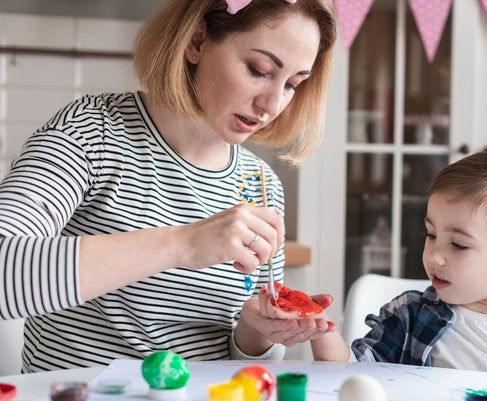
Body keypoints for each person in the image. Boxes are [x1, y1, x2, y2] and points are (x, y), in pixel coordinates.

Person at [0, 0, 337, 372]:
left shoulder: (260, 184)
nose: (272, 104)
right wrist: (184, 243)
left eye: (292, 84)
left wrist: (254, 332)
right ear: (195, 41)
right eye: (258, 70)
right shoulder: (91, 132)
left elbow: (248, 361)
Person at [260, 56, 487, 379]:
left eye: (458, 244)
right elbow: (351, 375)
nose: (434, 255)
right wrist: (322, 331)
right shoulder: (408, 318)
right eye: (431, 234)